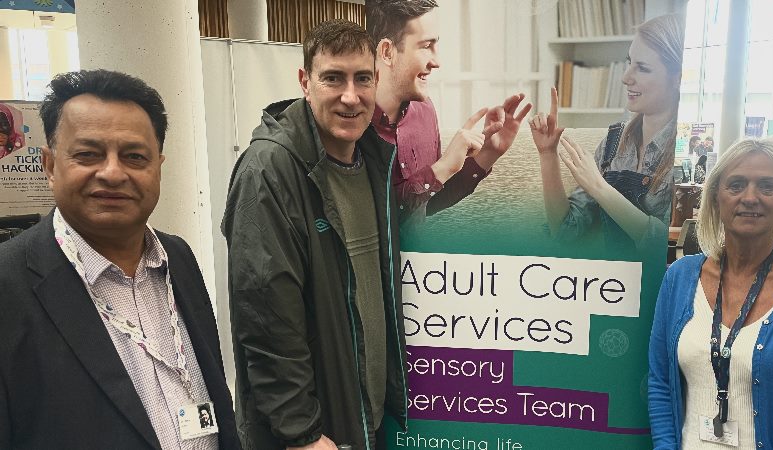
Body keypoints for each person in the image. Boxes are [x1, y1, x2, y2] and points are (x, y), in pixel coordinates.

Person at [0, 69, 239, 449]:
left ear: (158, 168)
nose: (112, 173)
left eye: (134, 156)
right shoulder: (9, 284)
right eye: (88, 154)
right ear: (49, 166)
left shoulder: (177, 257)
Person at [222, 20, 407, 450]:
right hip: (312, 436)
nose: (350, 96)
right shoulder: (269, 170)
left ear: (376, 81)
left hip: (363, 420)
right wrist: (301, 432)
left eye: (362, 79)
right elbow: (266, 319)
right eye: (332, 78)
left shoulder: (374, 163)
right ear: (305, 82)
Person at [648, 137, 773, 449]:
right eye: (736, 184)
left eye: (767, 186)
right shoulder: (679, 277)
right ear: (716, 197)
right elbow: (660, 382)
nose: (750, 197)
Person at [366, 0, 531, 224]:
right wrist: (442, 168)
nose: (437, 62)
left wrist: (487, 154)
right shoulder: (352, 119)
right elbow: (369, 219)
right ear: (387, 52)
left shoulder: (425, 110)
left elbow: (429, 203)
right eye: (426, 46)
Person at [530, 13, 683, 249]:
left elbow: (662, 247)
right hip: (611, 283)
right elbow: (565, 232)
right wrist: (547, 154)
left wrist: (599, 188)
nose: (625, 77)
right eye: (629, 62)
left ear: (677, 78)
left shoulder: (684, 157)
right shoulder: (613, 143)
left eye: (642, 68)